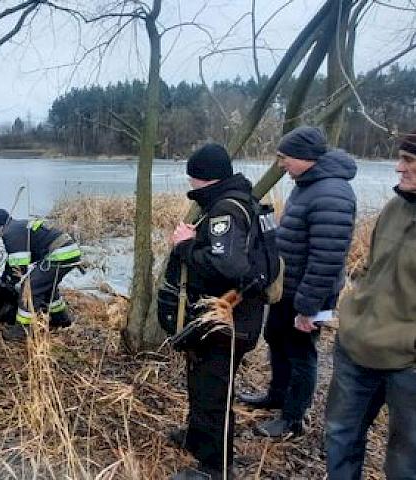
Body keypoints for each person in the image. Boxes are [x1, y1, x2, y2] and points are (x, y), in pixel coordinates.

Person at [239, 126, 357, 438]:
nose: (281, 164)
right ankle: (276, 396)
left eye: (284, 158)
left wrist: (308, 307)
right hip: (288, 288)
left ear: (305, 157)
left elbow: (327, 258)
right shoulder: (307, 185)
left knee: (301, 352)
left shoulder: (332, 194)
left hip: (311, 294)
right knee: (276, 338)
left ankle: (292, 418)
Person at [166, 143, 267, 480]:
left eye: (192, 178)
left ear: (204, 178)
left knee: (213, 391)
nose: (190, 184)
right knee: (201, 381)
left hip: (228, 319)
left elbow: (229, 267)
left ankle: (215, 468)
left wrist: (185, 246)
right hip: (224, 316)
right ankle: (198, 438)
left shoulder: (226, 210)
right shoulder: (236, 200)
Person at [324, 131, 416, 480]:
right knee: (339, 437)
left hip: (408, 364)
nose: (398, 168)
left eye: (409, 160)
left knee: (406, 461)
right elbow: (369, 268)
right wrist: (351, 313)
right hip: (356, 348)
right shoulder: (395, 207)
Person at [0, 210, 81, 341]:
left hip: (60, 254)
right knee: (48, 287)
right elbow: (15, 260)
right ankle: (61, 319)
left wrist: (9, 283)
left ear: (0, 227)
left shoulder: (10, 233)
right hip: (69, 251)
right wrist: (6, 278)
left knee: (30, 288)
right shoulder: (19, 226)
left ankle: (23, 330)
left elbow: (19, 266)